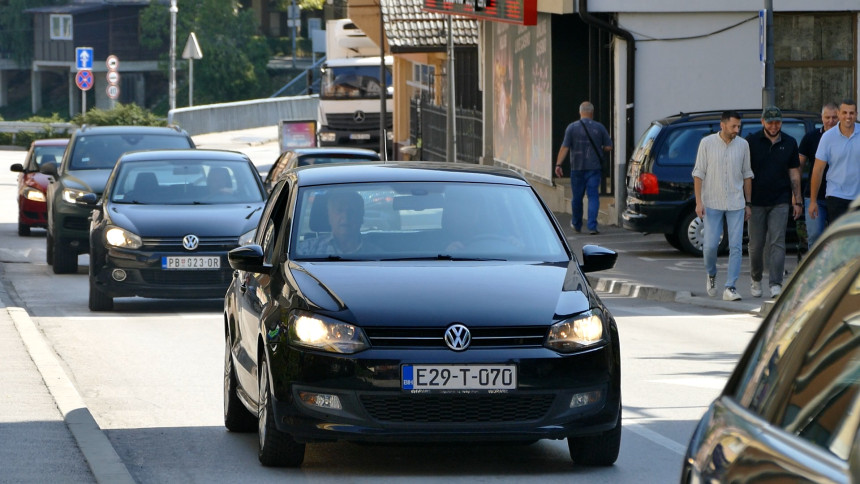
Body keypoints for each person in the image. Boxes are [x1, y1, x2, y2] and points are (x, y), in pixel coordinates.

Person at [692, 110, 753, 301]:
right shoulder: (707, 143)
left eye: (739, 126)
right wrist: (698, 202)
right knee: (710, 246)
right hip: (712, 202)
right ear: (723, 125)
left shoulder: (743, 145)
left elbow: (747, 174)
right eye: (733, 126)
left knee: (736, 246)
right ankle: (711, 274)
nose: (737, 130)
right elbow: (698, 173)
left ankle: (730, 287)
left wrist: (748, 203)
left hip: (736, 202)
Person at [745, 106, 803, 299]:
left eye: (777, 122)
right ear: (762, 122)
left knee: (777, 242)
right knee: (756, 244)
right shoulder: (751, 142)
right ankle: (755, 279)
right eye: (769, 122)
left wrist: (797, 200)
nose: (773, 125)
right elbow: (744, 173)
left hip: (780, 199)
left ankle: (776, 283)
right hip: (756, 201)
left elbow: (794, 173)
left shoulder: (790, 142)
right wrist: (746, 202)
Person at [554, 101, 612, 234]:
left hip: (577, 168)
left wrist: (558, 164)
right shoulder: (599, 127)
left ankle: (577, 223)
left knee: (577, 198)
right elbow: (609, 146)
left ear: (580, 112)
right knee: (593, 196)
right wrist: (601, 147)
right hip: (594, 168)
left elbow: (565, 147)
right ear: (592, 113)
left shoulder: (572, 128)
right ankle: (592, 226)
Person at [809, 98, 860, 225]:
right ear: (839, 114)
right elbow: (818, 170)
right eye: (844, 113)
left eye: (851, 113)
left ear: (856, 115)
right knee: (840, 240)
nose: (848, 116)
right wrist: (813, 201)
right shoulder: (828, 137)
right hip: (836, 195)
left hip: (858, 197)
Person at [798, 103, 838, 250]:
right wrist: (796, 194)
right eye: (827, 117)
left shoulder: (844, 138)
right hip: (815, 197)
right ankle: (815, 272)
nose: (831, 121)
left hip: (838, 196)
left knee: (838, 240)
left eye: (834, 117)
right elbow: (799, 166)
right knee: (815, 237)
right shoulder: (810, 138)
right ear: (821, 118)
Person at [298, 190, 378, 256]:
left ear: (361, 217)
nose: (345, 216)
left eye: (351, 211)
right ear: (329, 216)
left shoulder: (377, 256)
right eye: (339, 210)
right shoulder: (306, 250)